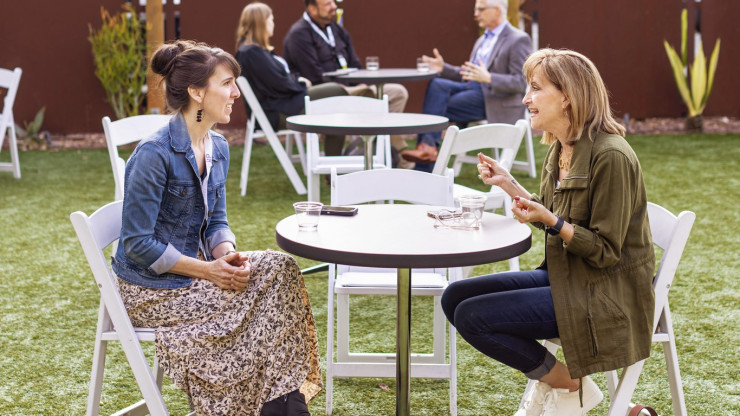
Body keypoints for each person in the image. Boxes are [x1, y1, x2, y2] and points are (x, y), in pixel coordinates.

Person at [440, 48, 655, 416]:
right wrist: (509, 185)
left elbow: (605, 251)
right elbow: (551, 213)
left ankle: (568, 384)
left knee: (475, 316)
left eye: (536, 89)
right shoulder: (561, 148)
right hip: (567, 275)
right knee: (455, 298)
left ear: (567, 97)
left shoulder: (611, 156)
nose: (526, 99)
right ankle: (574, 385)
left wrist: (552, 222)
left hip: (604, 295)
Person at [112, 40, 320, 416]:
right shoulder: (153, 154)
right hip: (150, 291)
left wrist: (228, 256)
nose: (236, 93)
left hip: (198, 273)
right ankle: (278, 408)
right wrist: (209, 270)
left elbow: (217, 223)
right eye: (226, 83)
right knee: (258, 303)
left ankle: (282, 403)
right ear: (196, 92)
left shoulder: (218, 146)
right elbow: (137, 245)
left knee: (280, 269)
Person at [402, 0, 532, 172]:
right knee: (437, 84)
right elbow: (468, 74)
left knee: (436, 107)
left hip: (494, 100)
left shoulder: (518, 39)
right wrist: (443, 68)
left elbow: (520, 82)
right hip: (472, 90)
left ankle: (425, 162)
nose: (476, 14)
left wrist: (489, 78)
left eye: (480, 9)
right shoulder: (481, 41)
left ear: (497, 10)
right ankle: (428, 149)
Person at [282, 0, 409, 158]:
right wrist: (354, 88)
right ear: (312, 9)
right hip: (326, 94)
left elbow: (355, 63)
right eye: (328, 4)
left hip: (355, 88)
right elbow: (314, 76)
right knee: (367, 94)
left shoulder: (336, 30)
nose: (334, 7)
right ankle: (401, 155)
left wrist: (361, 83)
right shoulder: (298, 34)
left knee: (397, 93)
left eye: (334, 3)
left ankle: (366, 147)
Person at [235, 1, 348, 155]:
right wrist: (301, 83)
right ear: (261, 23)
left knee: (336, 102)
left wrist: (296, 81)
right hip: (279, 111)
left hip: (285, 103)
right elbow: (278, 83)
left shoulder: (256, 51)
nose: (273, 23)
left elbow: (279, 78)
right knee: (336, 92)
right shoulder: (251, 53)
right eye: (271, 20)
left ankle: (335, 160)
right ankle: (334, 161)